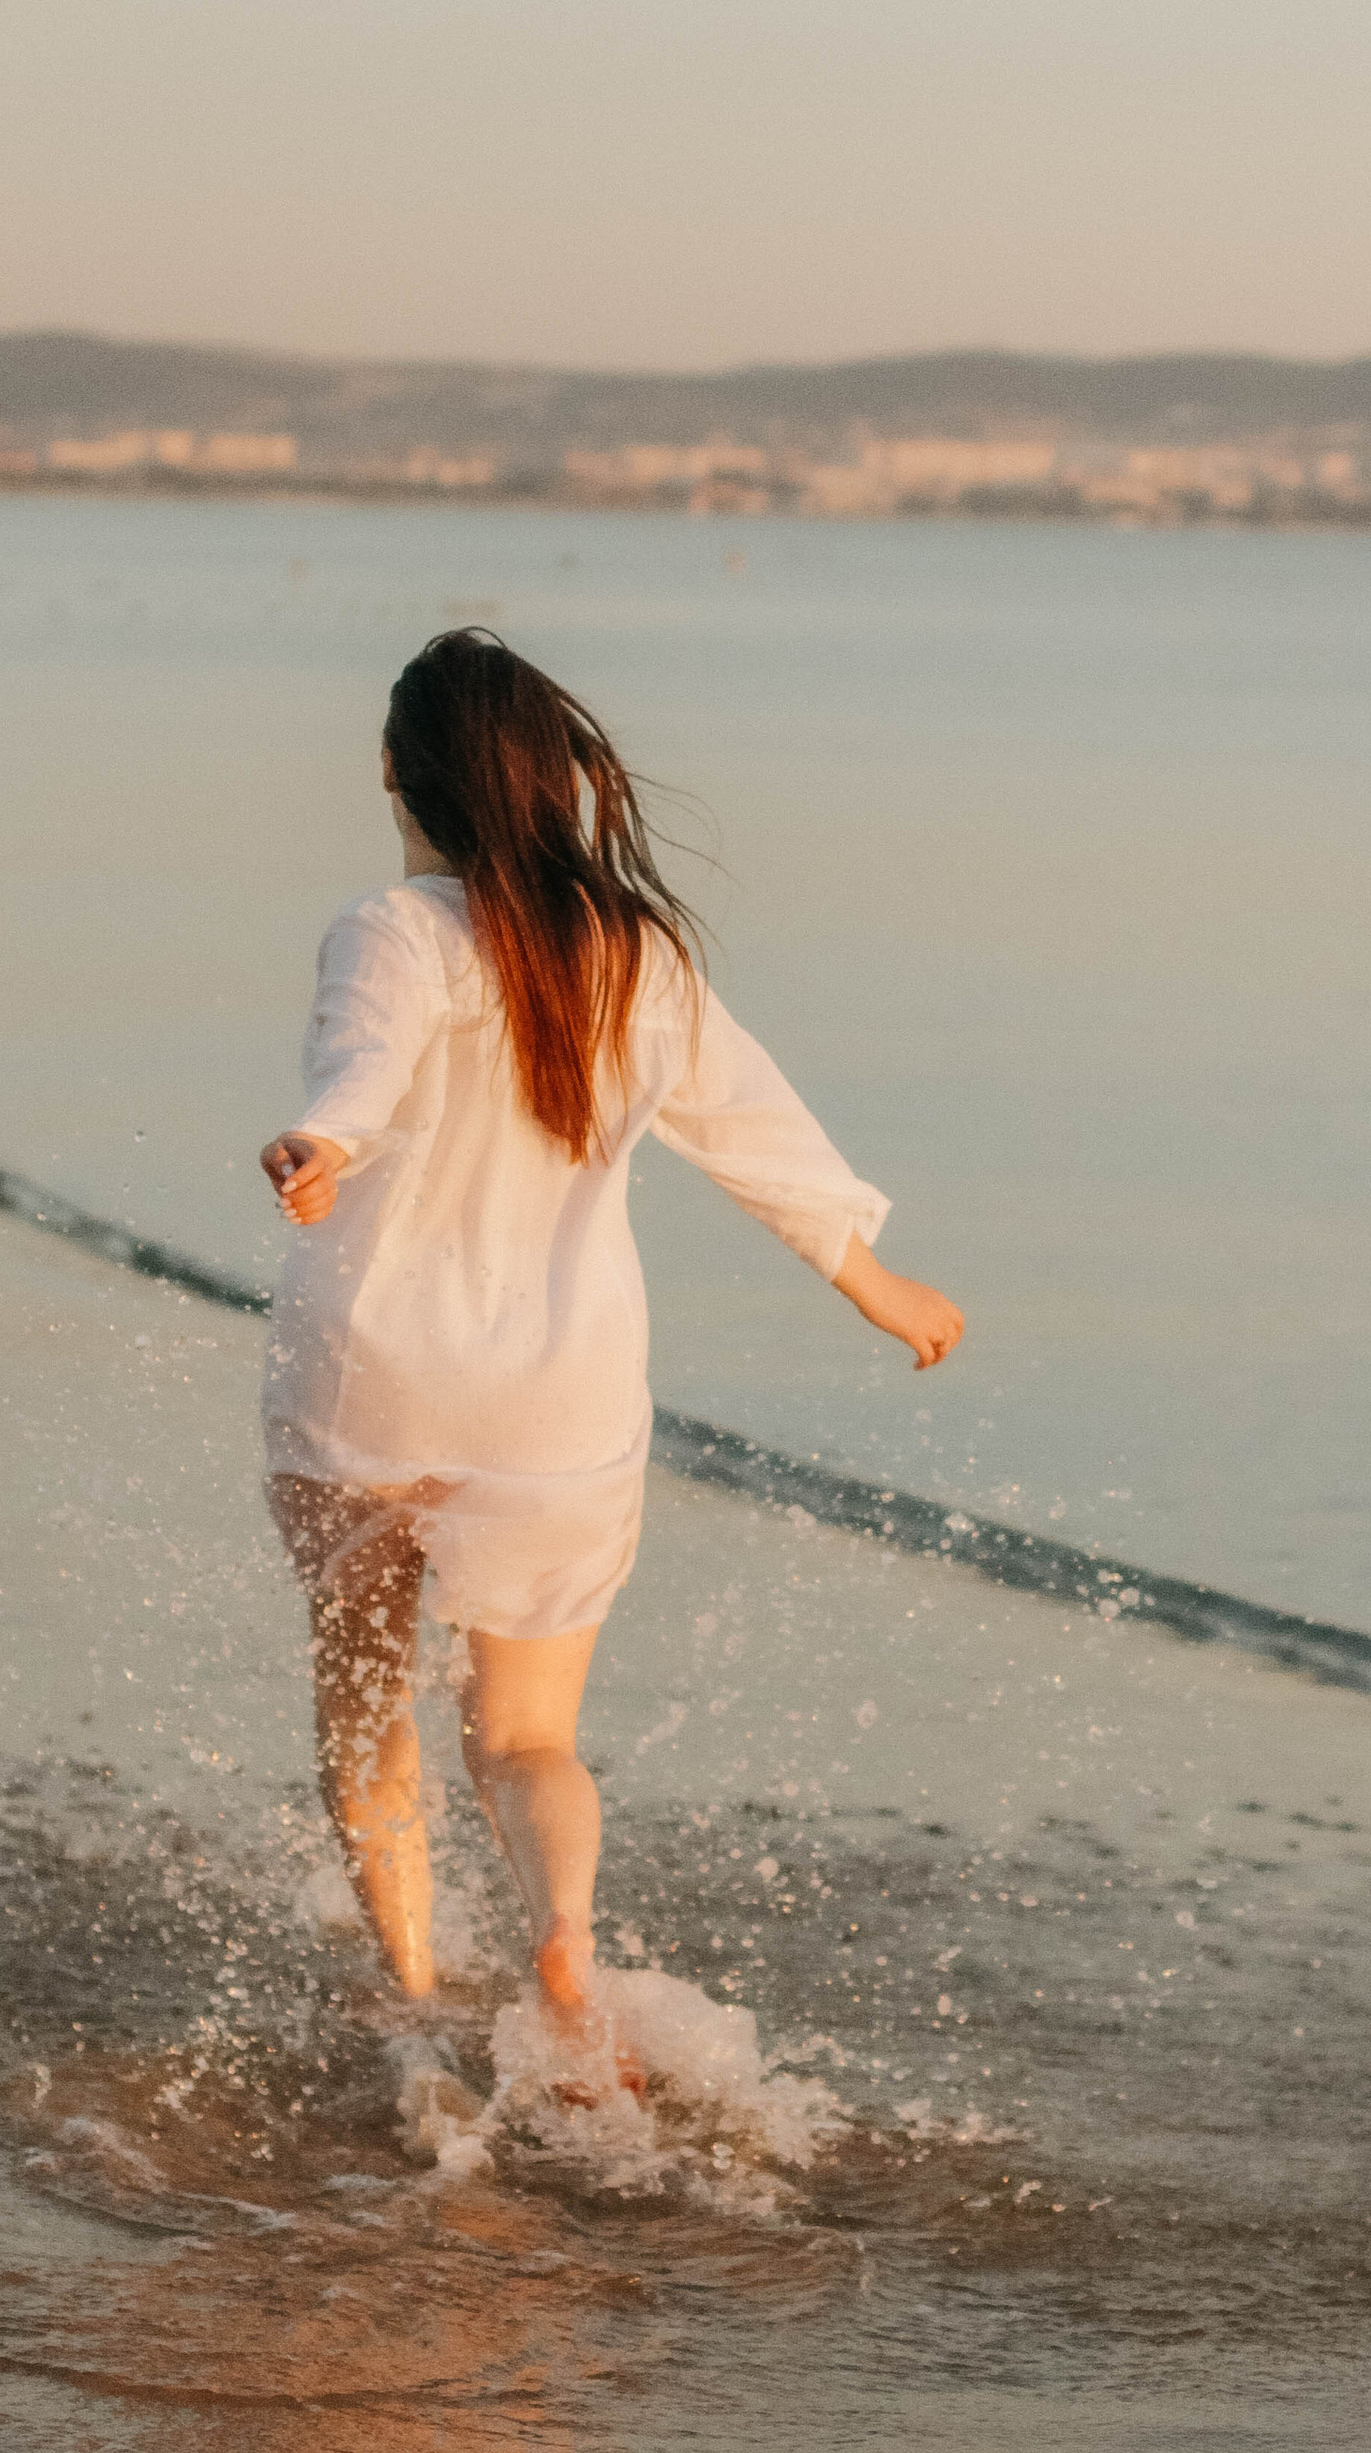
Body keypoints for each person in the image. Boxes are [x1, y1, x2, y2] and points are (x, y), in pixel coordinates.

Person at [260, 627, 963, 2068]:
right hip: (559, 1397)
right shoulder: (636, 953)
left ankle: (410, 1992)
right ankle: (564, 1941)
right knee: (528, 1740)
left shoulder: (393, 929)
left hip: (377, 1374)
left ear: (396, 773)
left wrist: (323, 1143)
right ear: (554, 783)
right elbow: (753, 1127)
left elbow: (364, 1066)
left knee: (361, 1698)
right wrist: (871, 1276)